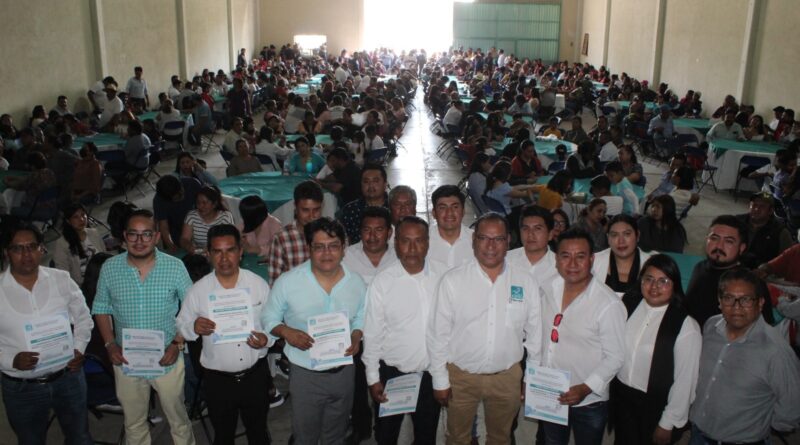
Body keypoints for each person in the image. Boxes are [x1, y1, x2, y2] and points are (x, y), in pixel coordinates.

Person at [427, 213, 542, 445]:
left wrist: (531, 377)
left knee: (500, 438)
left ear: (508, 241)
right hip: (461, 377)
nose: (491, 246)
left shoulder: (525, 282)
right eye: (483, 238)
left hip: (506, 377)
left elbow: (535, 336)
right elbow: (438, 334)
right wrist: (439, 379)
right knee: (457, 438)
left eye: (498, 239)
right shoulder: (453, 280)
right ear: (473, 241)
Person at [92, 209, 195, 445]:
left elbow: (192, 309)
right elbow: (100, 308)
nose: (139, 241)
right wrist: (110, 345)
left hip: (167, 356)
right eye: (133, 234)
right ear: (124, 236)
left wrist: (177, 343)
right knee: (134, 422)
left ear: (157, 236)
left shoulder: (175, 267)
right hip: (126, 358)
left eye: (146, 234)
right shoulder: (110, 268)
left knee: (178, 419)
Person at [262, 217, 367, 445]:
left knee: (336, 434)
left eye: (333, 246)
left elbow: (361, 315)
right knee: (305, 436)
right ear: (309, 248)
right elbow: (268, 318)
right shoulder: (288, 282)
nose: (326, 253)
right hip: (305, 375)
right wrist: (287, 332)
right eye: (319, 247)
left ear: (343, 248)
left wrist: (357, 334)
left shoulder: (356, 283)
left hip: (344, 372)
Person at [176, 224, 273, 445]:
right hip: (218, 381)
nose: (224, 258)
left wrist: (267, 338)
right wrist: (193, 327)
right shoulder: (198, 290)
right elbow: (181, 324)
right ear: (208, 254)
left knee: (258, 433)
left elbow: (273, 323)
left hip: (255, 376)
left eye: (230, 250)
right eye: (217, 252)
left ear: (240, 251)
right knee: (223, 436)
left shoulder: (258, 285)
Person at [0, 223, 94, 445]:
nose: (26, 254)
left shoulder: (61, 279)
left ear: (42, 249)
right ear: (6, 252)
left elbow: (83, 318)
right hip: (22, 386)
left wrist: (79, 348)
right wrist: (10, 360)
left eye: (32, 246)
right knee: (30, 440)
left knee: (80, 437)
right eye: (18, 248)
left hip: (68, 377)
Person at [688, 268, 800, 444]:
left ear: (760, 303)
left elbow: (792, 406)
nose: (736, 306)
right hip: (698, 433)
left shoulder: (776, 351)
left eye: (746, 299)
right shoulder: (711, 326)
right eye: (728, 298)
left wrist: (761, 426)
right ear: (719, 301)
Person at [539, 228, 626, 445]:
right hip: (551, 391)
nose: (572, 264)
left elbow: (615, 357)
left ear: (592, 259)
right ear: (556, 260)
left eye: (580, 256)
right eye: (565, 256)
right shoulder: (547, 288)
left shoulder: (608, 304)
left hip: (589, 401)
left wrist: (585, 388)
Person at [364, 216, 446, 445]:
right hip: (392, 375)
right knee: (386, 436)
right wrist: (373, 378)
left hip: (431, 373)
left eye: (419, 241)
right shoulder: (383, 282)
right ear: (395, 243)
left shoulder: (444, 276)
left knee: (426, 437)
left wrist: (444, 377)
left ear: (428, 243)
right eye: (405, 241)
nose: (412, 248)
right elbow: (372, 334)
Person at [613, 254, 701, 445]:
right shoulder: (628, 304)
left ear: (675, 285)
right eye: (649, 279)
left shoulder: (686, 326)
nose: (654, 287)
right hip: (622, 398)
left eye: (663, 281)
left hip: (655, 405)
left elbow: (685, 380)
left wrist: (668, 422)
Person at [685, 215, 750, 328]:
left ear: (742, 248)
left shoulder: (748, 284)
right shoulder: (700, 267)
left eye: (729, 241)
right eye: (714, 238)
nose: (719, 246)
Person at [267, 180, 324, 285]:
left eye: (316, 210)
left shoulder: (331, 235)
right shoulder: (282, 238)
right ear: (295, 207)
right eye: (305, 210)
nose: (311, 216)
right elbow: (275, 283)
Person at [593, 214, 653, 296]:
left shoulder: (652, 264)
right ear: (608, 238)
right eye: (614, 235)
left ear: (637, 235)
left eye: (627, 234)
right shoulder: (593, 262)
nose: (621, 241)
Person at [736, 191, 795, 268]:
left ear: (770, 211)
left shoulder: (780, 232)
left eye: (762, 206)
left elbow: (788, 260)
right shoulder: (736, 222)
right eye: (754, 205)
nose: (756, 209)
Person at [52, 203, 107, 285]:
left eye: (83, 215)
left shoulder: (94, 233)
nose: (81, 219)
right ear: (68, 221)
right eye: (75, 217)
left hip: (104, 277)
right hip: (84, 285)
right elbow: (63, 274)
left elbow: (105, 257)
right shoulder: (62, 244)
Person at [342, 206, 397, 285]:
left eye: (379, 230)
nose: (372, 236)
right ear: (360, 232)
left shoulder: (398, 257)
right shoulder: (346, 256)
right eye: (367, 230)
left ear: (389, 233)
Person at [339, 164, 389, 244]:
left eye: (375, 181)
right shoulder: (350, 210)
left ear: (385, 184)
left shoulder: (394, 208)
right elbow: (343, 240)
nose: (371, 185)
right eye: (366, 182)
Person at [507, 205, 558, 281]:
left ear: (550, 234)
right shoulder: (505, 260)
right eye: (525, 228)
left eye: (537, 229)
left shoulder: (561, 267)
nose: (530, 234)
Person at [428, 185, 474, 268]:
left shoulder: (476, 241)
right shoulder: (423, 240)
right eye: (442, 208)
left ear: (463, 211)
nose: (449, 212)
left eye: (455, 207)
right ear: (434, 213)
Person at [180, 186, 235, 254]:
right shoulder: (191, 216)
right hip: (199, 254)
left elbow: (230, 240)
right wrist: (188, 246)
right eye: (198, 203)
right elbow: (184, 239)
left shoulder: (225, 216)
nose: (200, 206)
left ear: (214, 204)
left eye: (204, 203)